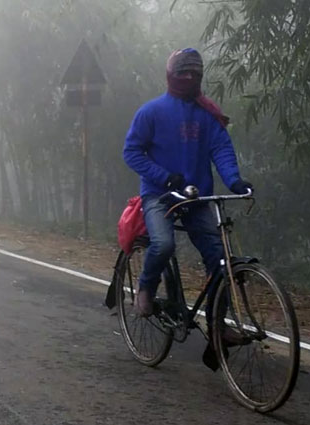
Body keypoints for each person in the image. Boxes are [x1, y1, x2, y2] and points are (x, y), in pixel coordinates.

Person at [122, 48, 253, 345]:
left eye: (195, 73)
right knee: (164, 243)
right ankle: (146, 287)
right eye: (183, 72)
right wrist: (163, 176)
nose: (189, 77)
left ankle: (218, 325)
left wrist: (234, 181)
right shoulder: (151, 112)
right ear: (171, 76)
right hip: (159, 195)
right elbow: (131, 152)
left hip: (197, 198)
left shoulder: (207, 114)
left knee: (220, 259)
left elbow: (221, 148)